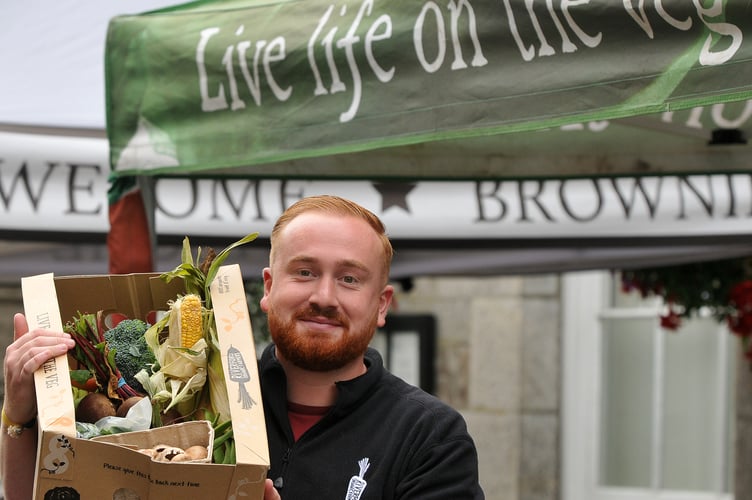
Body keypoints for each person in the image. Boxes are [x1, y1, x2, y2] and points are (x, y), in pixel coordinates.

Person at [2, 195, 484, 499]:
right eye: (305, 271)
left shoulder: (429, 437)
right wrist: (19, 415)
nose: (323, 295)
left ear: (381, 305)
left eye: (350, 278)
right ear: (269, 287)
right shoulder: (197, 402)